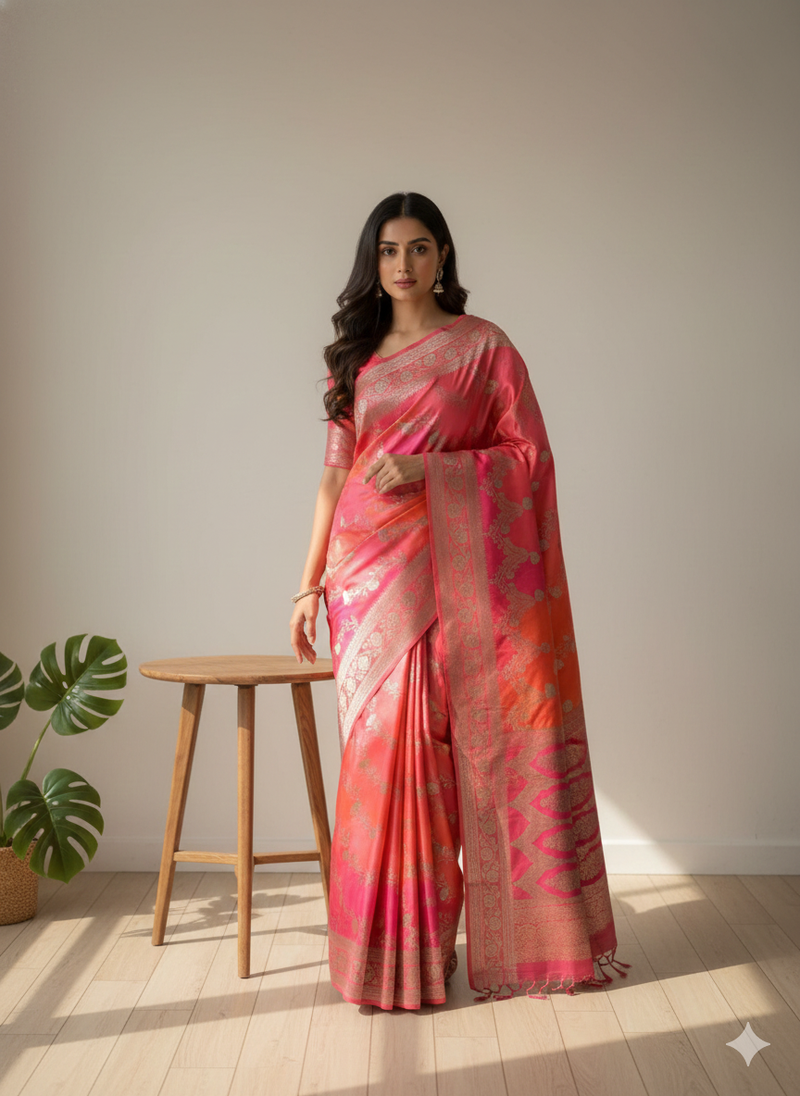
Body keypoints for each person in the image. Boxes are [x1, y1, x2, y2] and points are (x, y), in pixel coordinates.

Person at [289, 192, 629, 1011]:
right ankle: (395, 957)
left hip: (453, 574)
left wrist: (432, 472)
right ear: (371, 263)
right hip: (367, 578)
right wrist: (307, 583)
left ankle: (483, 942)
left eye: (417, 249)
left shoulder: (484, 350)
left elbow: (528, 456)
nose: (401, 266)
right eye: (387, 252)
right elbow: (334, 476)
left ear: (442, 257)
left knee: (453, 759)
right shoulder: (356, 359)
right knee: (383, 768)